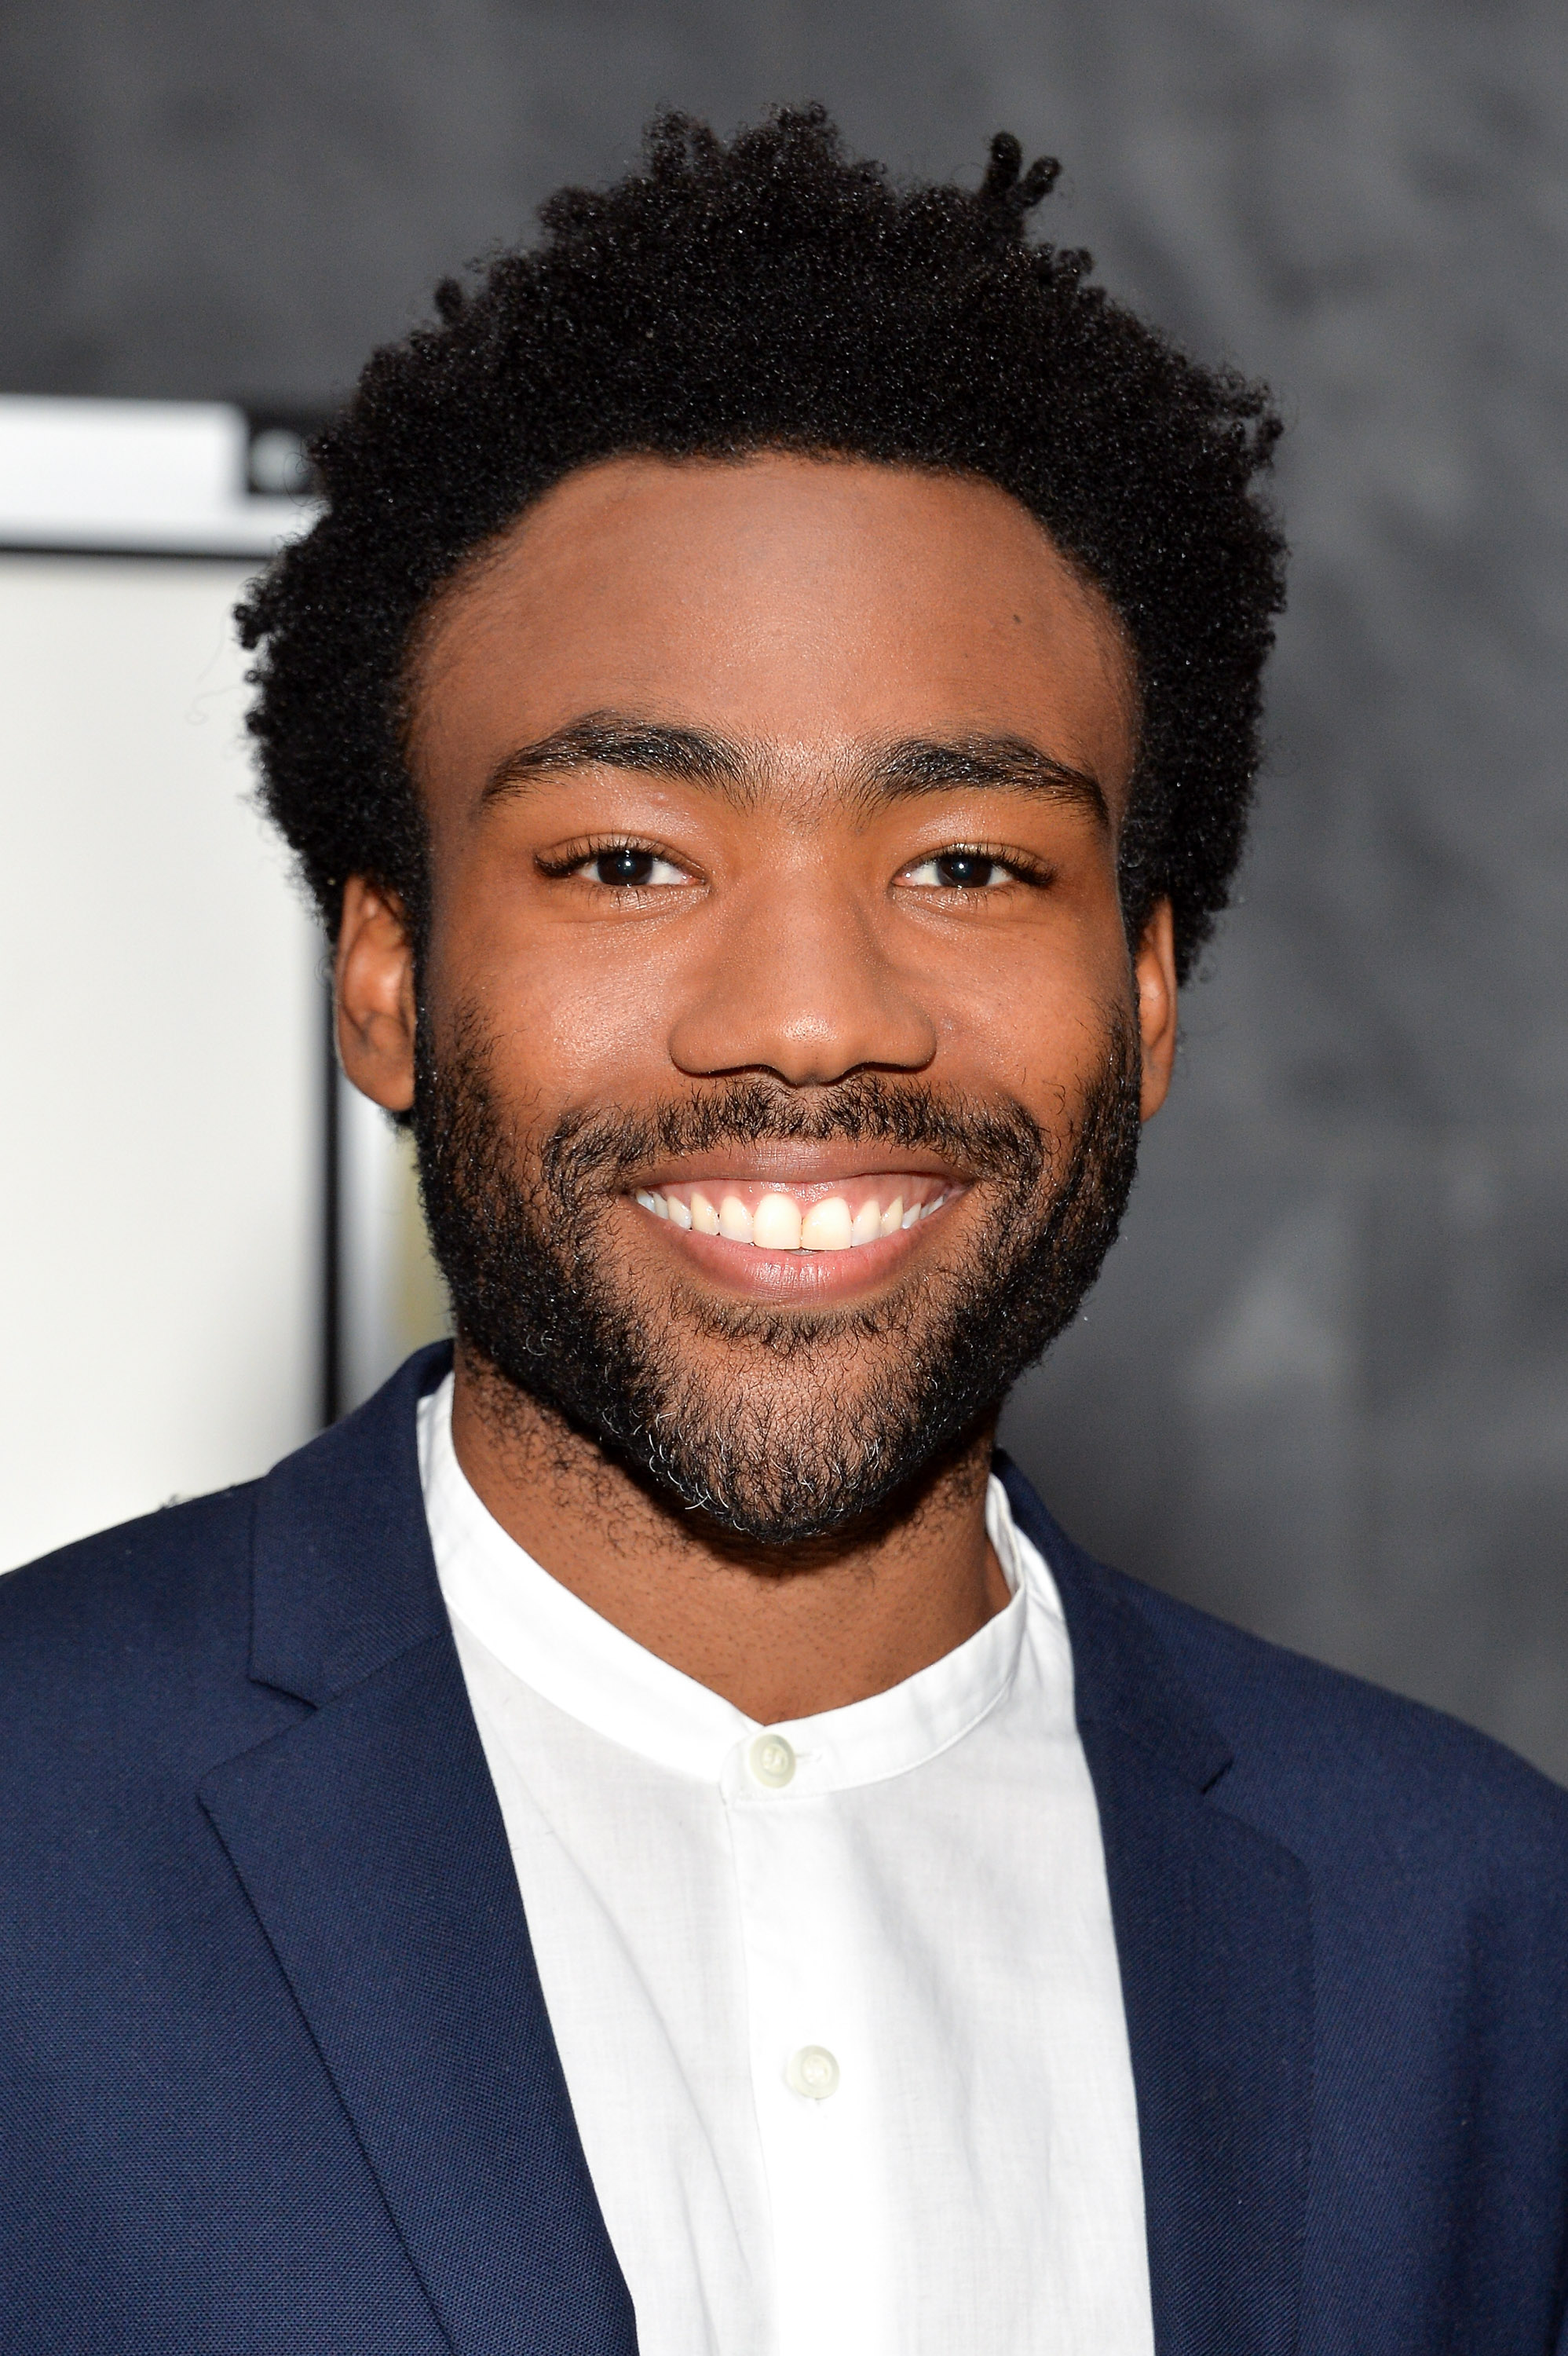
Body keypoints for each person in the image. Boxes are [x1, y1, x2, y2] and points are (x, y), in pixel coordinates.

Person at [2, 105, 1565, 2356]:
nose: (814, 1017)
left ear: (1146, 998)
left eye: (970, 864)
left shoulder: (1482, 1942)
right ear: (386, 977)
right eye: (628, 861)